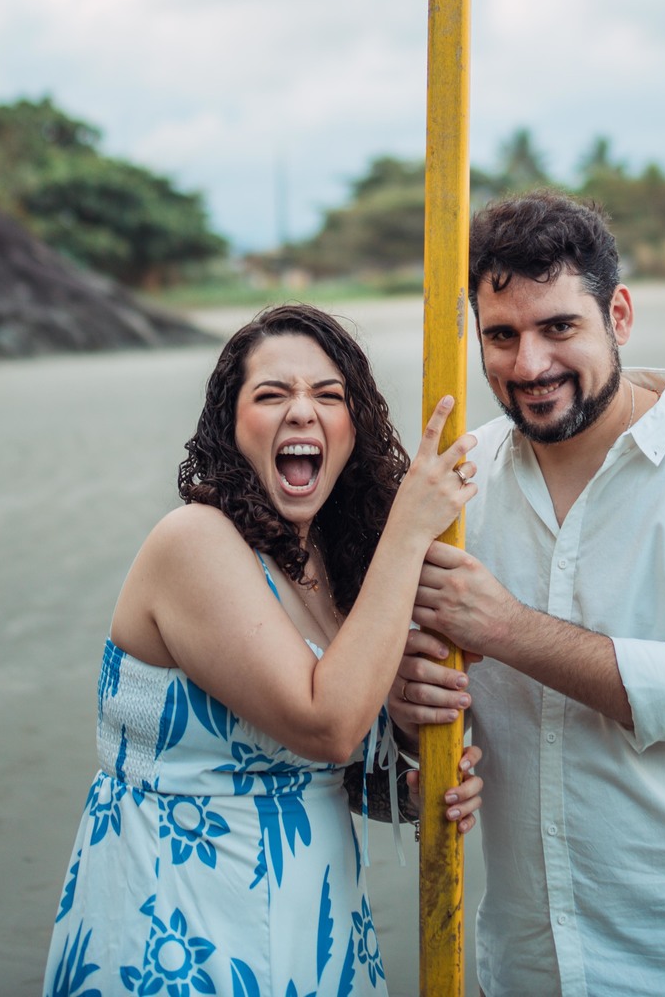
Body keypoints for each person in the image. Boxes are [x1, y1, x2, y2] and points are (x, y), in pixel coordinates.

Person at [392, 194, 665, 997]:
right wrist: (411, 725)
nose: (530, 365)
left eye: (560, 327)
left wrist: (508, 628)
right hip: (533, 961)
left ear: (618, 315)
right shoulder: (458, 484)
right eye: (501, 335)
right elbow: (424, 714)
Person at [44, 303, 483, 997]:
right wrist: (409, 530)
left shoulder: (333, 568)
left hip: (315, 923)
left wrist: (408, 783)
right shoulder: (194, 542)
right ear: (231, 425)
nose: (303, 411)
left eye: (328, 396)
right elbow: (325, 724)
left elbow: (317, 771)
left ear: (354, 427)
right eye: (272, 394)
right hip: (182, 925)